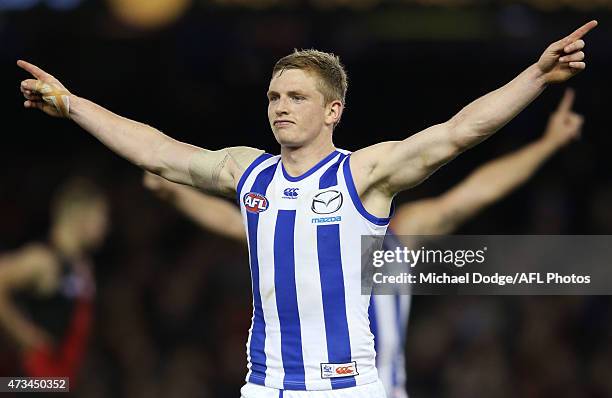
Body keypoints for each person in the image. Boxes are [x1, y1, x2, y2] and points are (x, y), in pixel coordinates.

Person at [17, 20, 596, 397]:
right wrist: (73, 105)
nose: (281, 107)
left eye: (297, 97)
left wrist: (536, 77)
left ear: (333, 110)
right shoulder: (252, 174)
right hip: (264, 385)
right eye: (273, 96)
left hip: (349, 388)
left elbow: (456, 133)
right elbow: (159, 150)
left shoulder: (362, 176)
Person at [143, 88, 584, 398]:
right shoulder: (302, 228)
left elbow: (478, 188)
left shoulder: (399, 235)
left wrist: (546, 146)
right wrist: (177, 193)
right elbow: (231, 223)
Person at [0, 178, 109, 383]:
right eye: (102, 216)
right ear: (80, 216)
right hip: (29, 384)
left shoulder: (82, 267)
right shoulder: (44, 260)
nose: (106, 226)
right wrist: (24, 336)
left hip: (59, 381)